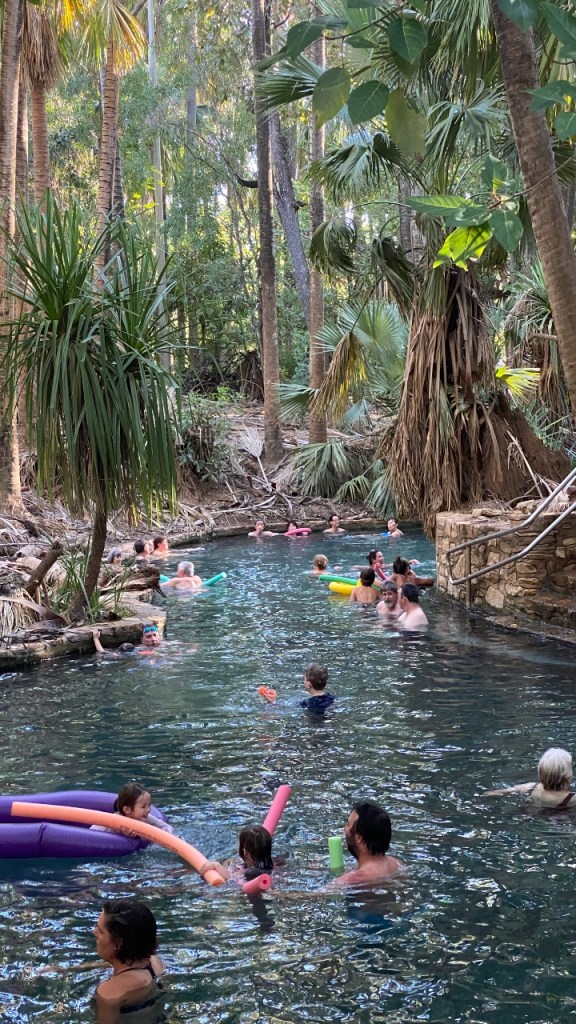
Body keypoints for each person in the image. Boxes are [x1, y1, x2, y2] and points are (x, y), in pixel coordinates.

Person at [94, 898, 165, 1024]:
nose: (94, 933)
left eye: (100, 931)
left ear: (117, 944)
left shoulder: (110, 993)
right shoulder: (155, 963)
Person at [336, 801, 403, 886]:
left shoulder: (351, 879)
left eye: (348, 824)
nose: (345, 829)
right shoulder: (398, 865)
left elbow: (322, 893)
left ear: (359, 838)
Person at [485, 748, 576, 808]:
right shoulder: (572, 798)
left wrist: (488, 794)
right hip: (562, 820)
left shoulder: (531, 787)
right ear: (567, 776)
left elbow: (505, 791)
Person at [91, 783, 174, 836]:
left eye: (149, 805)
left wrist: (166, 834)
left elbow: (164, 825)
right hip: (95, 836)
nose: (148, 809)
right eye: (143, 806)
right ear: (127, 810)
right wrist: (126, 835)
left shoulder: (145, 817)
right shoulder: (118, 820)